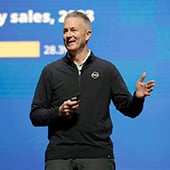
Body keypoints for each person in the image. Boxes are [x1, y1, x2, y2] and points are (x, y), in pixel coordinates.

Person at [30, 11, 155, 170]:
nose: (68, 35)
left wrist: (138, 98)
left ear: (87, 35)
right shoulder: (50, 71)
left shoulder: (107, 69)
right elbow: (35, 115)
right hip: (59, 157)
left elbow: (130, 110)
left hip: (98, 155)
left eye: (73, 30)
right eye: (65, 31)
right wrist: (58, 112)